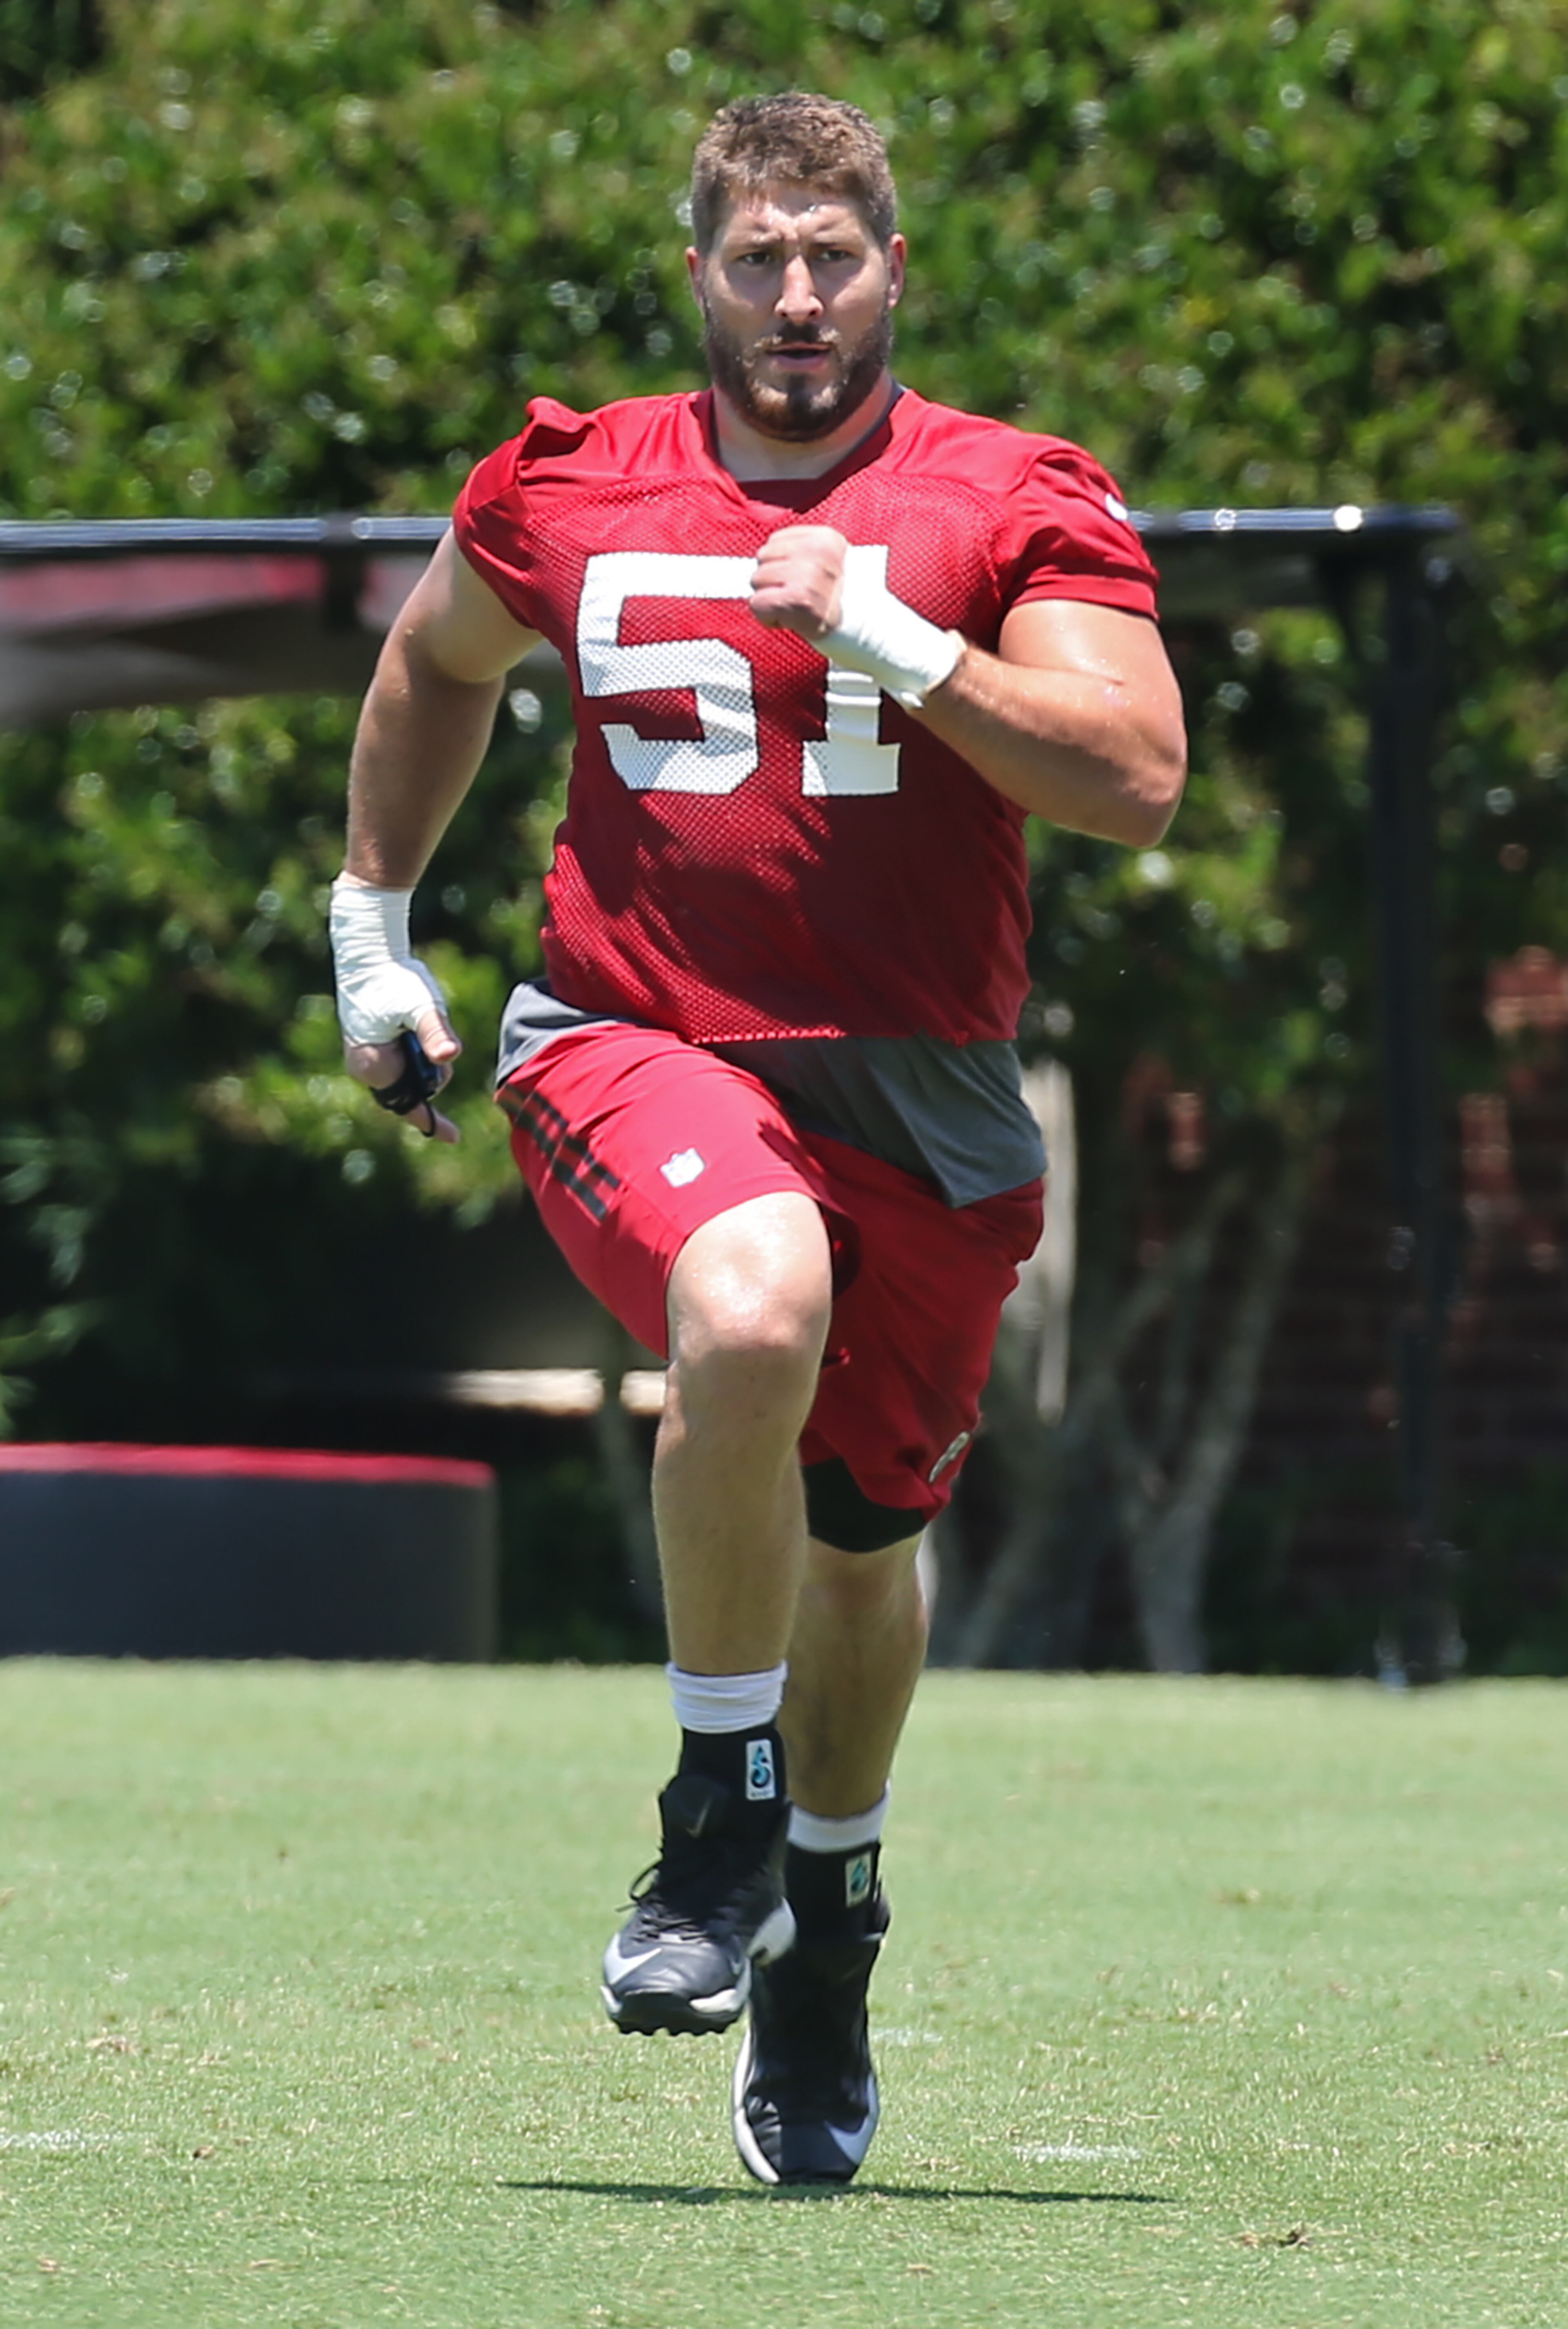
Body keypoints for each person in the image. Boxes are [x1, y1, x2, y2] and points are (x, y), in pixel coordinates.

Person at [328, 91, 1186, 2186]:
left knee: (869, 1551)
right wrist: (372, 921)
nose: (799, 297)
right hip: (635, 1031)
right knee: (749, 1292)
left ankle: (827, 1926)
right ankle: (712, 1820)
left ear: (896, 267)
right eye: (758, 257)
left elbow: (1137, 772)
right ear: (698, 273)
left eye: (836, 254)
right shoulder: (571, 479)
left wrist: (896, 638)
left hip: (929, 1087)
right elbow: (438, 662)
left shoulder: (1011, 494)